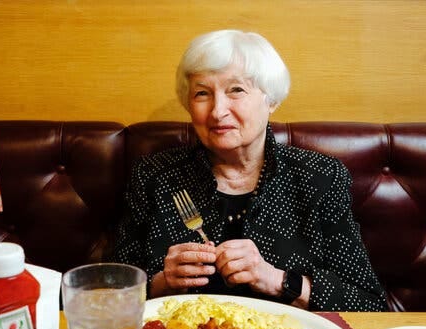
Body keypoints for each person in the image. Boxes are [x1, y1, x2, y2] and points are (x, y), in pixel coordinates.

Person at [113, 29, 387, 312]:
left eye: (236, 90)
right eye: (202, 93)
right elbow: (108, 295)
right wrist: (161, 283)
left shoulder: (320, 177)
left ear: (271, 100)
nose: (218, 111)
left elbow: (370, 305)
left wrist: (278, 280)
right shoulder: (155, 175)